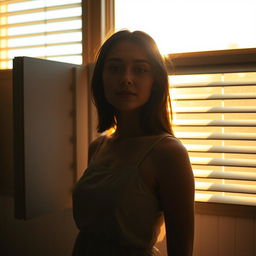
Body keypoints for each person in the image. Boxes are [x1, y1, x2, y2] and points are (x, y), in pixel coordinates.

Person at [72, 30, 195, 256]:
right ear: (101, 77)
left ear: (155, 81)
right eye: (115, 68)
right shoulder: (98, 146)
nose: (126, 78)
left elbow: (182, 249)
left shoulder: (168, 153)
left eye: (140, 69)